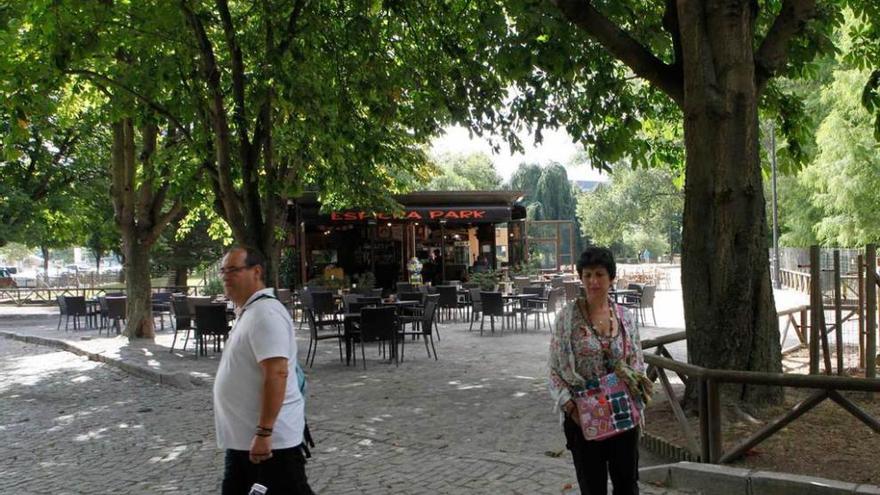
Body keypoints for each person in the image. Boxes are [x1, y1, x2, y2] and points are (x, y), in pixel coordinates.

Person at [214, 246, 315, 494]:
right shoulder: (250, 311)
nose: (226, 276)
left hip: (270, 444)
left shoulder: (266, 313)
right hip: (246, 440)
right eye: (223, 270)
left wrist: (264, 432)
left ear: (256, 272)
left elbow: (277, 372)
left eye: (234, 270)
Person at [548, 246, 649, 495]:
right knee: (592, 488)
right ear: (581, 278)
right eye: (587, 275)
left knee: (627, 486)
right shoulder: (567, 318)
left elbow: (636, 361)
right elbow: (554, 369)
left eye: (600, 274)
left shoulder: (625, 317)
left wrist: (637, 396)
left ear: (611, 278)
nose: (593, 281)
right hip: (583, 418)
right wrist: (571, 408)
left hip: (622, 415)